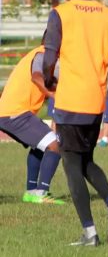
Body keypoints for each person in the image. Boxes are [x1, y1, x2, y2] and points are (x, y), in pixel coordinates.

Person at [43, 0, 108, 247]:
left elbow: (49, 56)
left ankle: (89, 233)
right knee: (86, 160)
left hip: (70, 101)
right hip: (96, 103)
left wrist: (47, 80)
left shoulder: (60, 14)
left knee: (71, 165)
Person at [0, 37, 64, 204]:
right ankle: (41, 193)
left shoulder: (41, 55)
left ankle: (31, 191)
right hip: (16, 112)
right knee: (55, 145)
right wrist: (52, 95)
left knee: (41, 146)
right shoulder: (42, 55)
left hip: (12, 112)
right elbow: (36, 77)